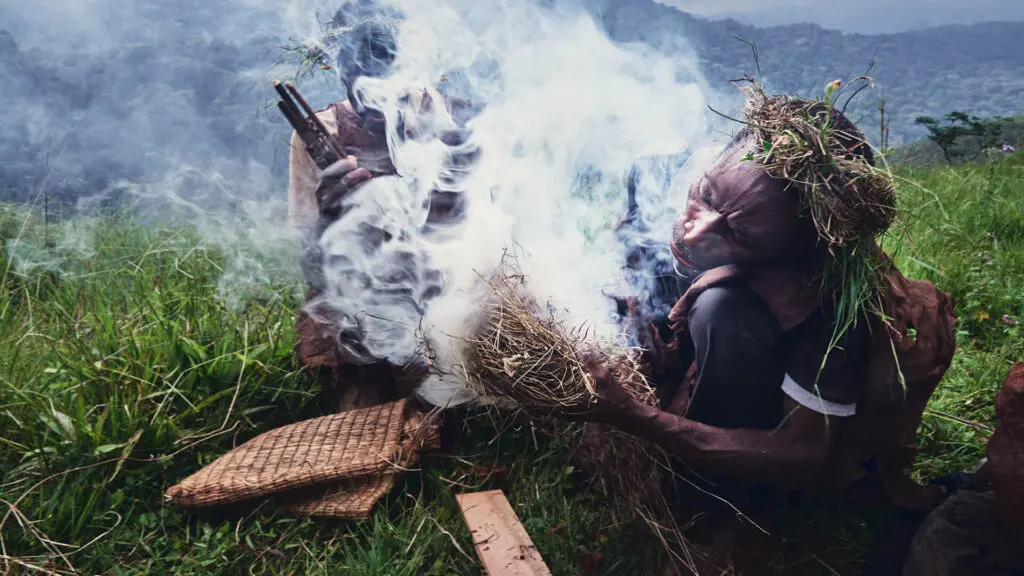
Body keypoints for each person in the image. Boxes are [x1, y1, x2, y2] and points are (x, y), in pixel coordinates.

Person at [570, 91, 958, 572]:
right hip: (701, 335)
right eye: (706, 196)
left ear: (789, 257)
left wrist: (637, 418)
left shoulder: (828, 302)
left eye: (738, 235)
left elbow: (802, 453)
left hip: (774, 412)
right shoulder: (679, 171)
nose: (694, 232)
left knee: (722, 311)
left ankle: (724, 503)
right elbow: (632, 258)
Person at [288, 0, 480, 412]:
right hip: (360, 315)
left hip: (449, 308)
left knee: (446, 410)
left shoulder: (455, 122)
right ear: (338, 69)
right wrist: (329, 218)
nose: (372, 98)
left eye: (388, 77)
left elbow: (497, 248)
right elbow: (314, 271)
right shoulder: (319, 134)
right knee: (365, 420)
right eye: (355, 77)